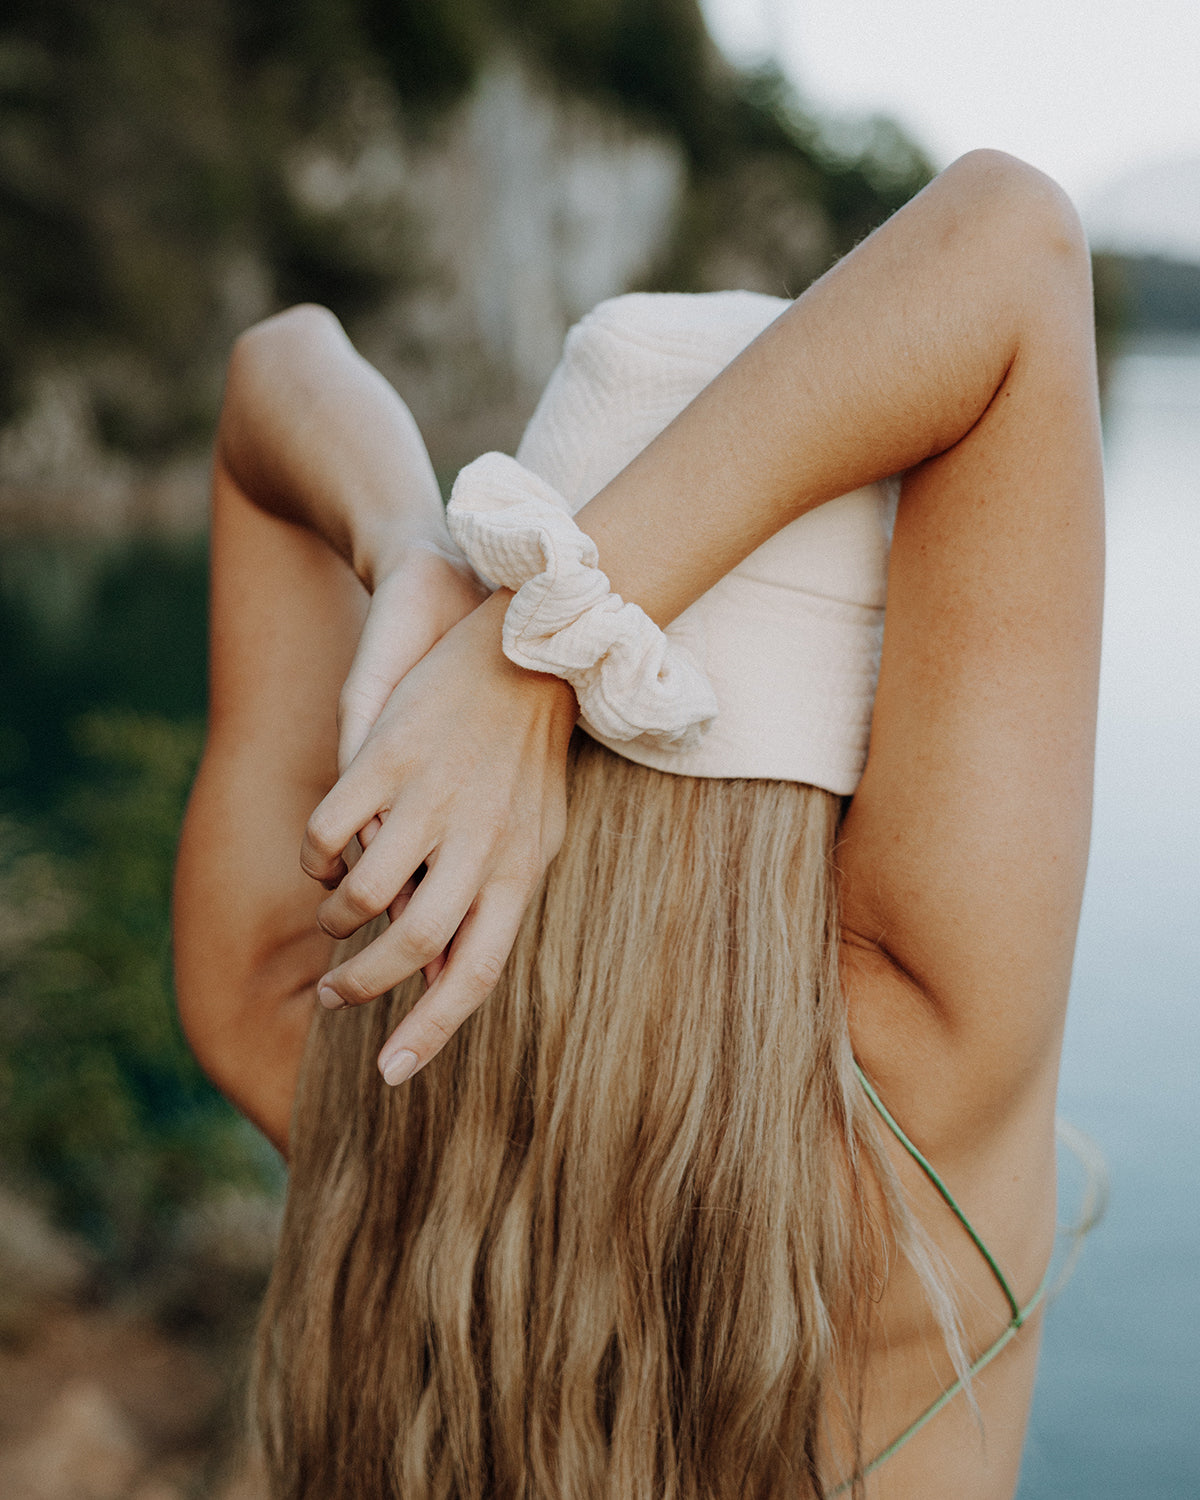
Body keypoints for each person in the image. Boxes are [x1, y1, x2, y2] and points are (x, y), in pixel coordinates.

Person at [173, 149, 1104, 1499]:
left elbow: (274, 368)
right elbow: (1014, 242)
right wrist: (540, 658)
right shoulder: (914, 1112)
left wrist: (426, 573)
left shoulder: (330, 1043)